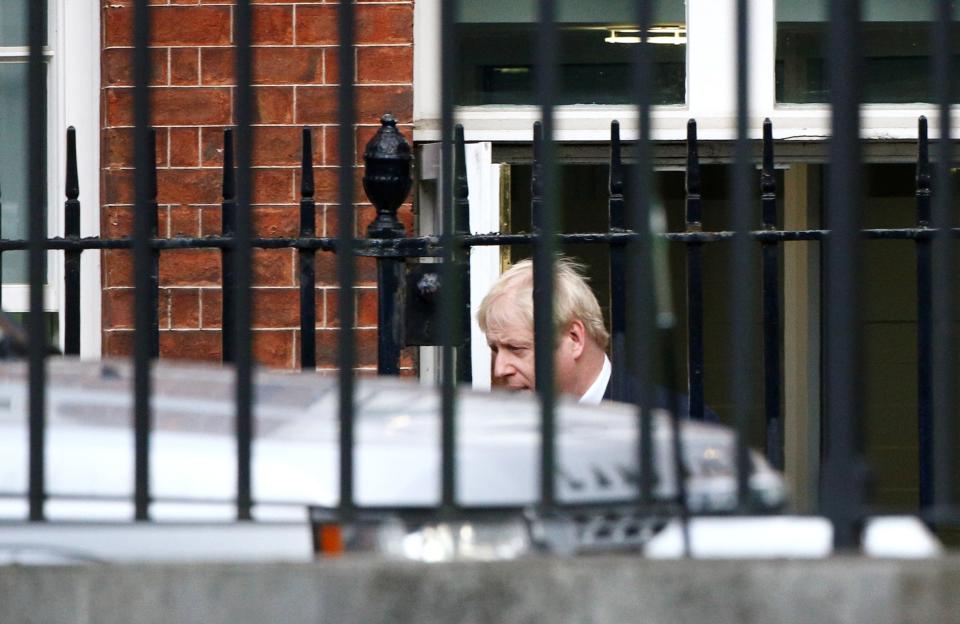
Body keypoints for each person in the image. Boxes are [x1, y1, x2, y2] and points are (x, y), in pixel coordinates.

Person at [476, 257, 612, 404]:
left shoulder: (635, 414)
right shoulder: (505, 418)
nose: (500, 369)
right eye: (495, 349)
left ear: (575, 338)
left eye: (515, 348)